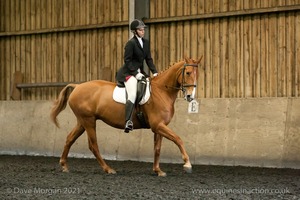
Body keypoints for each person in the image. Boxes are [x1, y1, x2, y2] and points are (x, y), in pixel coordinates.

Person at [116, 19, 158, 133]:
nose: (143, 31)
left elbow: (148, 59)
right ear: (135, 31)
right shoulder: (131, 43)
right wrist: (135, 73)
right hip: (128, 73)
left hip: (141, 73)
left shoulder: (146, 42)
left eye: (143, 29)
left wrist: (155, 72)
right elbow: (127, 60)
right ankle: (128, 121)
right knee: (133, 93)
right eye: (140, 29)